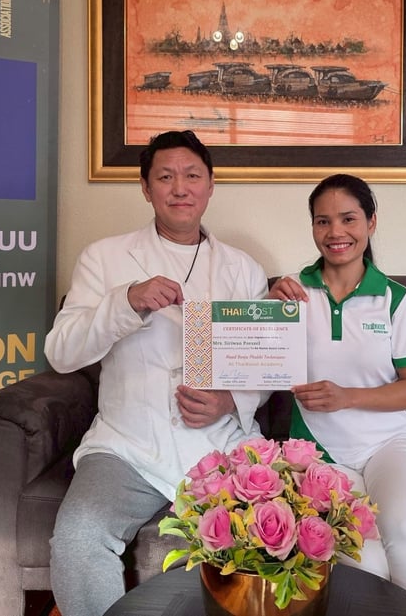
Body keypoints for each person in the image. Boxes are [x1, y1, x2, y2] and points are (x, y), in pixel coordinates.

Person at [45, 130, 268, 616]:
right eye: (165, 177)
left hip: (219, 446)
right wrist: (124, 302)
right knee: (78, 540)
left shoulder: (243, 269)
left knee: (271, 540)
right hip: (128, 445)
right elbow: (61, 353)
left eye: (192, 176)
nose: (180, 188)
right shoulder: (104, 258)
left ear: (211, 185)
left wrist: (229, 401)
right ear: (146, 188)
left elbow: (261, 367)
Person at [268, 174, 406, 616]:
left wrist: (347, 396)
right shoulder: (291, 293)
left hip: (390, 443)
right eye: (322, 221)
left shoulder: (394, 299)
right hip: (321, 453)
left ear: (371, 222)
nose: (336, 232)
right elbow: (256, 365)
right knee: (363, 558)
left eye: (348, 219)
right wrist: (266, 311)